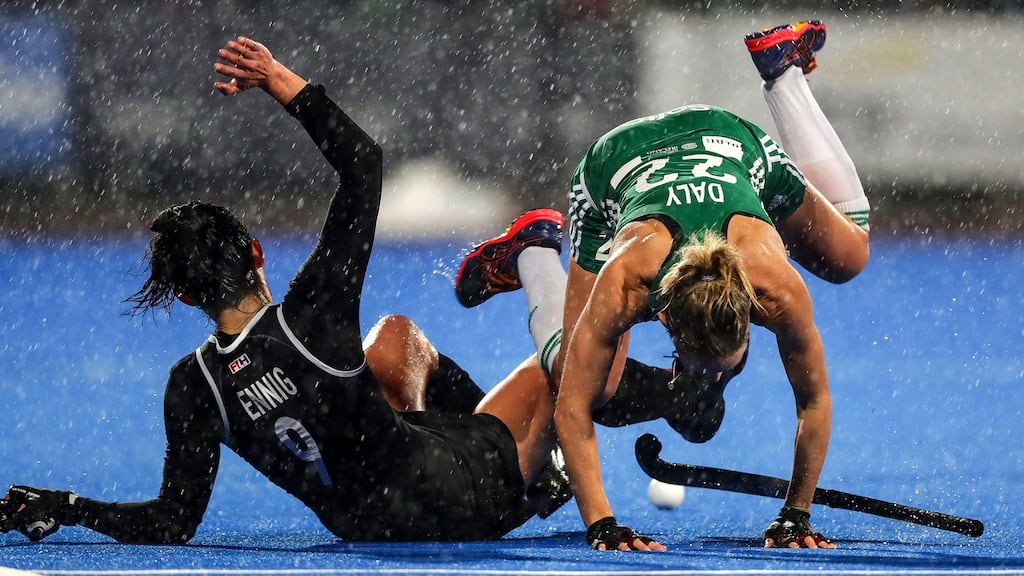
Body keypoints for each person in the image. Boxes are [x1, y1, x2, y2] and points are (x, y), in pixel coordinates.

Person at [0, 36, 565, 544]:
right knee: (556, 367)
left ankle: (452, 438)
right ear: (256, 253)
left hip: (368, 528)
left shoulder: (194, 387)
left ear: (186, 298)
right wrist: (277, 80)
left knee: (394, 342)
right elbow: (363, 165)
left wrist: (70, 506)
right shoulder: (312, 316)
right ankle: (548, 470)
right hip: (469, 507)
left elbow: (171, 522)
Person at [455, 20, 868, 550]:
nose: (716, 383)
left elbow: (814, 401)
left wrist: (796, 515)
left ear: (751, 312)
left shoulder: (777, 289)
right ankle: (534, 251)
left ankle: (783, 74)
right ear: (666, 320)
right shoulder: (626, 279)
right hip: (615, 166)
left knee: (849, 256)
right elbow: (574, 410)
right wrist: (603, 525)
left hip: (726, 139)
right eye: (711, 373)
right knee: (589, 382)